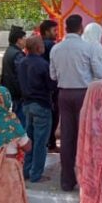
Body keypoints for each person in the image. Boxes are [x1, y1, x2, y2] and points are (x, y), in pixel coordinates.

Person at [49, 15, 102, 192]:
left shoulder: (56, 49)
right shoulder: (87, 47)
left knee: (67, 138)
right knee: (85, 136)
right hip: (83, 94)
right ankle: (86, 180)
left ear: (66, 28)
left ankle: (67, 180)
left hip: (64, 94)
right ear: (81, 28)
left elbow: (53, 76)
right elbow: (99, 72)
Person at [18, 36, 54, 183]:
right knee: (40, 141)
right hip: (41, 104)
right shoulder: (43, 64)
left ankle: (26, 170)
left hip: (27, 104)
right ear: (38, 48)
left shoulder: (22, 62)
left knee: (30, 139)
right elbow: (51, 85)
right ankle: (36, 174)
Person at [39, 19, 59, 151]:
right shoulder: (51, 45)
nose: (56, 33)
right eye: (54, 30)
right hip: (51, 86)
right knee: (53, 115)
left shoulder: (40, 44)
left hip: (41, 87)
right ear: (46, 32)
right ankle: (51, 143)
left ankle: (48, 142)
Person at [1, 28, 27, 124]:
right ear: (19, 40)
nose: (25, 40)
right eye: (24, 38)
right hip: (17, 94)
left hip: (11, 91)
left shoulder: (9, 51)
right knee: (21, 121)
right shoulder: (17, 54)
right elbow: (21, 75)